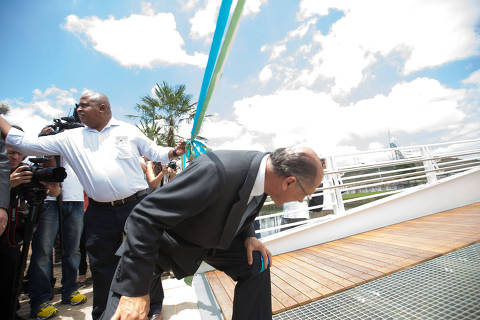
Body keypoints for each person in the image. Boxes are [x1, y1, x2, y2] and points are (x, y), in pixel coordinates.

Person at [0, 91, 186, 320]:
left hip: (135, 206)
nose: (78, 110)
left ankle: (154, 307)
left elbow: (154, 151)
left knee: (145, 257)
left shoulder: (127, 130)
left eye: (84, 105)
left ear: (102, 108)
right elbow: (22, 143)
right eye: (78, 106)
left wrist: (174, 152)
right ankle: (103, 314)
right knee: (101, 267)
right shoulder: (70, 138)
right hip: (99, 212)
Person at [102, 146, 324, 320]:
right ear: (289, 182)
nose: (302, 200)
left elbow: (240, 202)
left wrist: (249, 235)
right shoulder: (217, 171)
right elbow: (144, 217)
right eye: (306, 194)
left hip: (210, 238)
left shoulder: (265, 175)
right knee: (125, 313)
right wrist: (134, 291)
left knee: (258, 263)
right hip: (162, 245)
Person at [28, 154, 86, 320]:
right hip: (48, 199)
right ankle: (40, 301)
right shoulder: (50, 134)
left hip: (76, 198)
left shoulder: (83, 138)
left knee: (73, 250)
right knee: (43, 252)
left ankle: (70, 290)